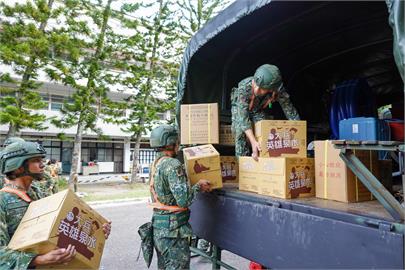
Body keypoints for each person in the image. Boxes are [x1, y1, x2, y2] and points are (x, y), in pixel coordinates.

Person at [0, 140, 112, 269]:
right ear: (18, 167)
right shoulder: (3, 201)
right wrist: (38, 260)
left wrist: (97, 231)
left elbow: (66, 227)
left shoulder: (40, 194)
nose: (43, 165)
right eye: (36, 160)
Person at [139, 125, 211, 270]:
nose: (179, 143)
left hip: (159, 230)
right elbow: (184, 200)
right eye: (177, 141)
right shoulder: (172, 164)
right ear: (171, 142)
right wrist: (198, 187)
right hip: (173, 234)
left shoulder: (156, 164)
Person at [231, 64, 300, 160]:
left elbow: (289, 110)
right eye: (256, 84)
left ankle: (263, 161)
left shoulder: (277, 89)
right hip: (240, 109)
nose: (257, 89)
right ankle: (242, 164)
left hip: (257, 109)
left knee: (265, 130)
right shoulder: (244, 87)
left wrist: (299, 131)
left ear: (271, 89)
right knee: (239, 131)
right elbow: (243, 118)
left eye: (262, 88)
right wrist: (253, 142)